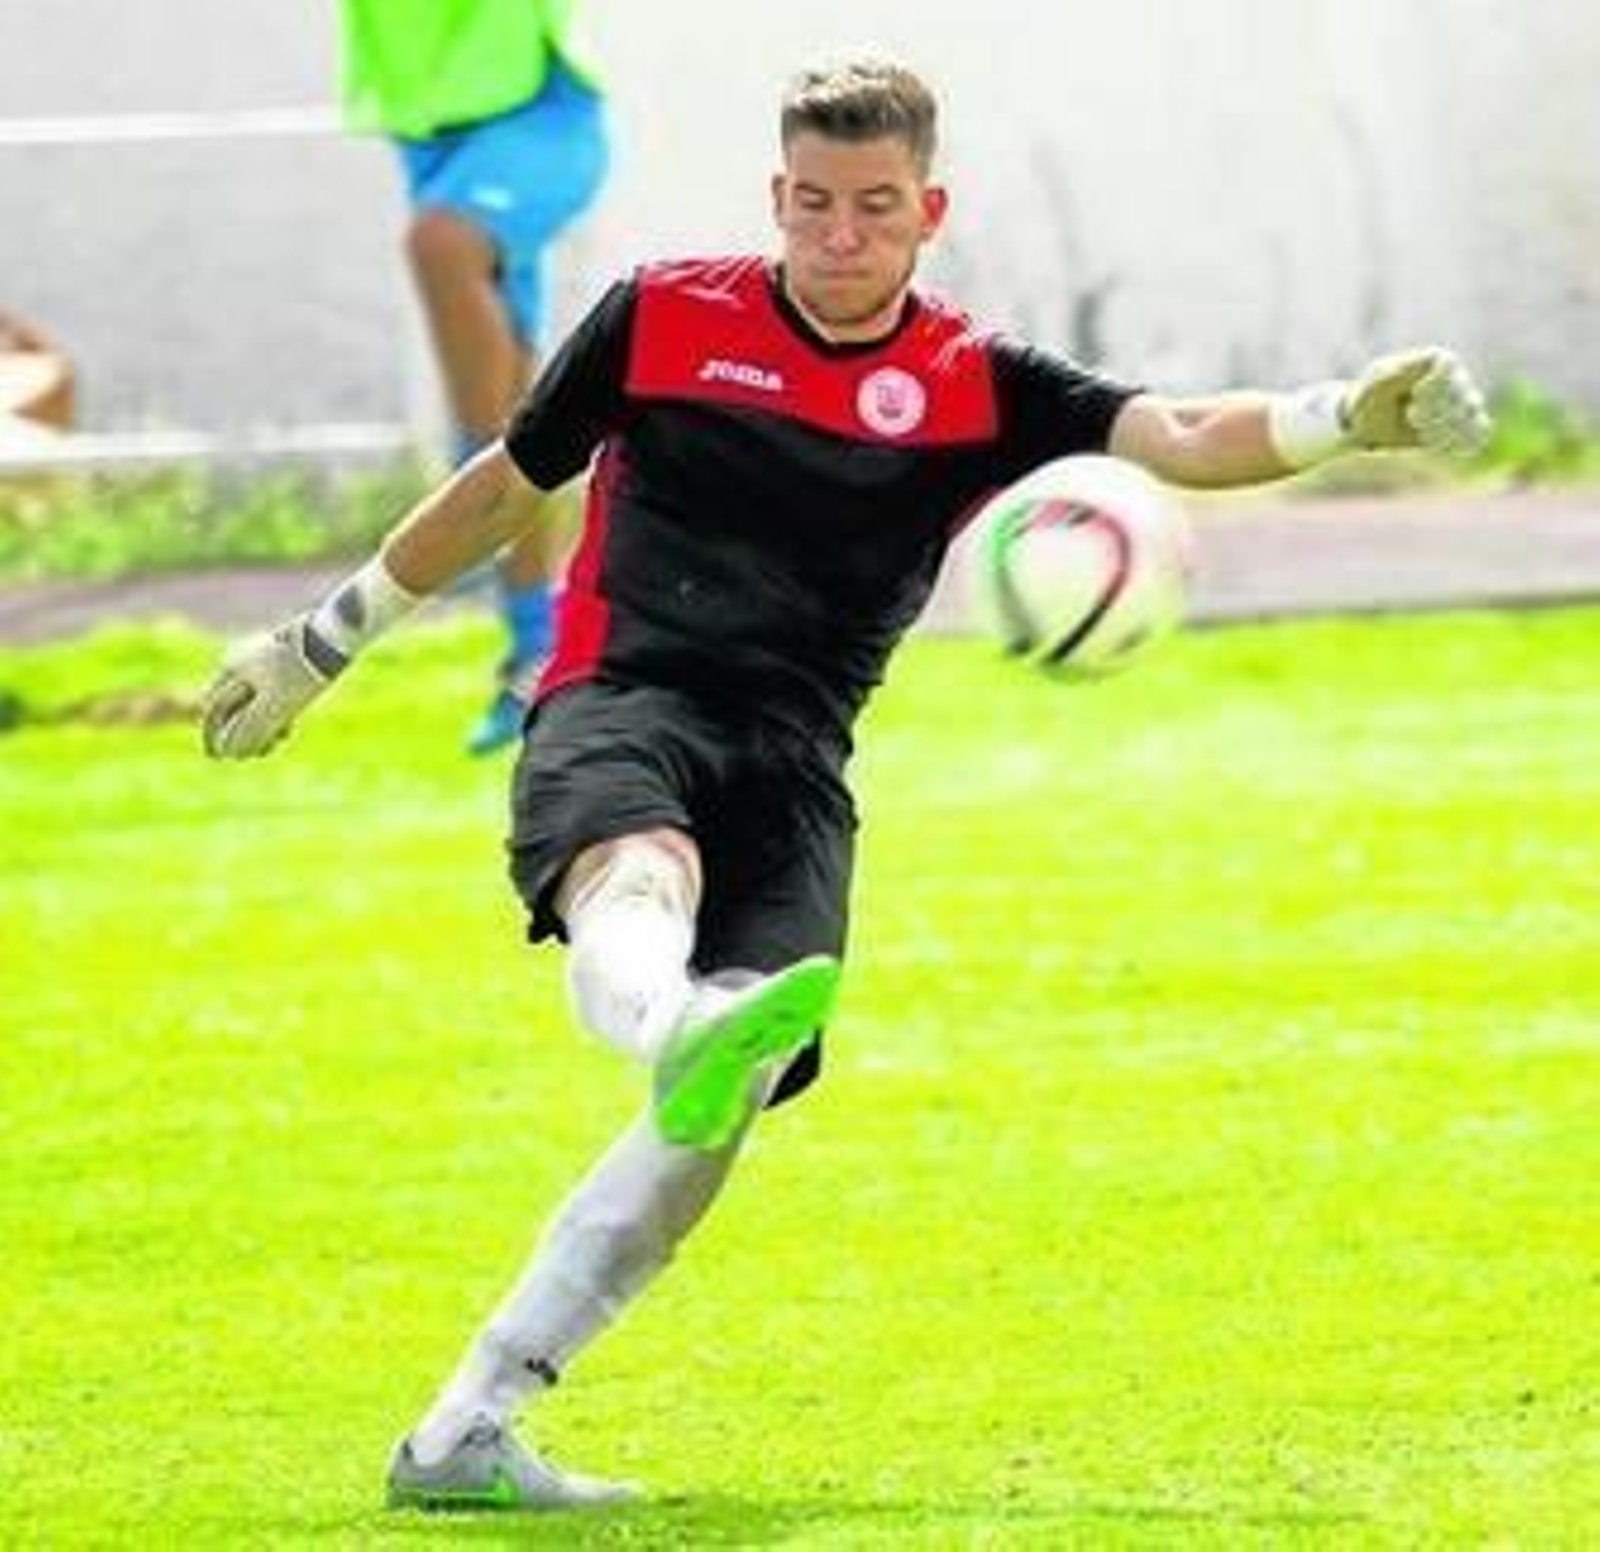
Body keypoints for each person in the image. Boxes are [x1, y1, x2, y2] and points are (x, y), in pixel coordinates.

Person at [201, 59, 1490, 1512]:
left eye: (875, 208)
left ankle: (467, 1430)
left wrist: (1346, 413)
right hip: (625, 698)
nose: (840, 235)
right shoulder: (659, 317)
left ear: (927, 211)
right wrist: (323, 641)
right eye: (813, 205)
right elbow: (509, 482)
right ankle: (674, 1015)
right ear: (777, 199)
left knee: (722, 1101)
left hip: (798, 763)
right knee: (642, 882)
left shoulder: (972, 385)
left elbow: (1181, 436)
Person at [338, 0, 610, 754]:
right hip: (429, 137)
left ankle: (470, 487)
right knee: (515, 405)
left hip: (540, 115)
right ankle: (535, 656)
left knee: (440, 246)